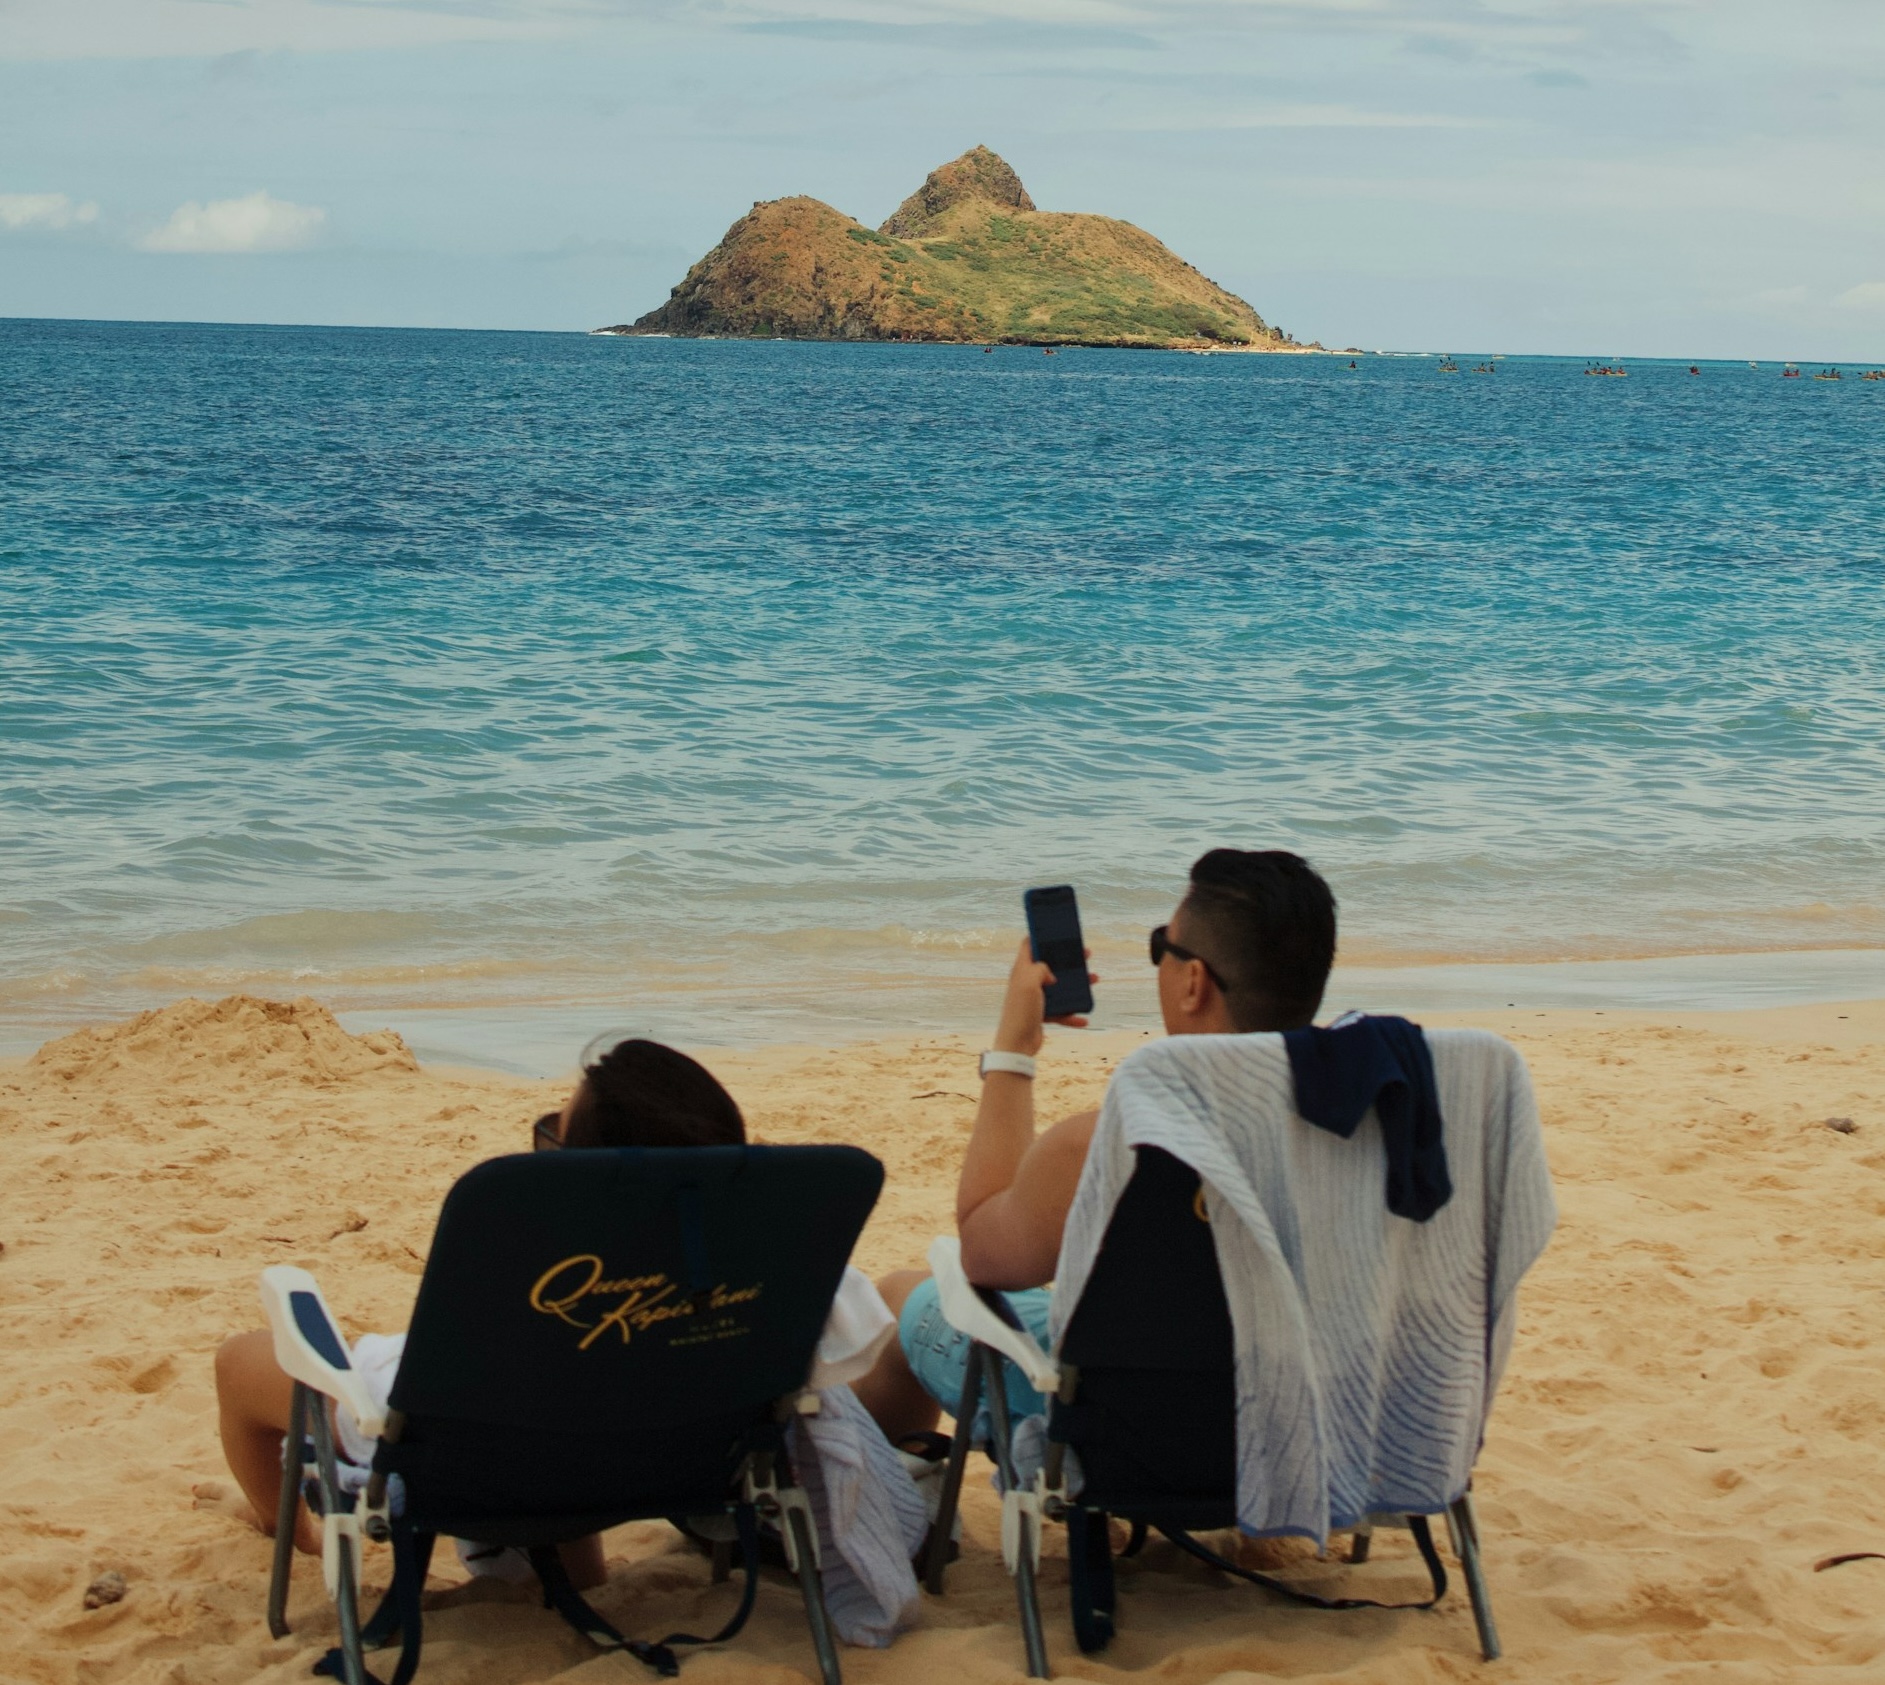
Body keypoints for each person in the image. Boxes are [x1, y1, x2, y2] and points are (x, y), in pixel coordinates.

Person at [208, 1037, 898, 1593]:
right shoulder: (779, 1286)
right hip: (676, 1458)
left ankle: (287, 1525)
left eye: (554, 1142)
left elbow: (416, 1399)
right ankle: (579, 1575)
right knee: (588, 1392)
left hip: (493, 1456)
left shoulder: (520, 1295)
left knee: (238, 1362)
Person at [850, 849, 1338, 1445]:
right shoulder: (1370, 1131)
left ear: (1193, 982)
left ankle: (911, 1494)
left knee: (899, 1300)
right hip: (1310, 1423)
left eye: (1164, 945)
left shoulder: (1121, 1141)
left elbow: (985, 1256)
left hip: (1135, 1436)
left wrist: (1012, 1049)